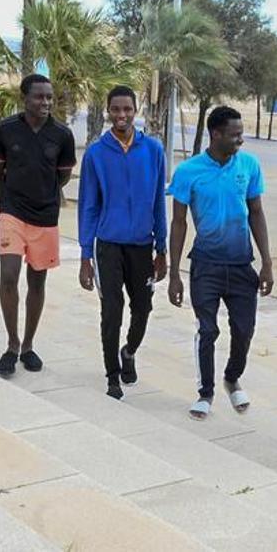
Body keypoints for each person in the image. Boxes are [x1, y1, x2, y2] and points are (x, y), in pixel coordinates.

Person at [167, 106, 274, 421]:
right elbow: (178, 223)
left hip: (242, 265)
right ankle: (206, 393)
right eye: (235, 134)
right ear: (216, 134)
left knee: (244, 329)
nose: (241, 140)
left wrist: (267, 262)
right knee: (208, 329)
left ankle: (232, 377)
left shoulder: (249, 166)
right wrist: (174, 274)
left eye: (241, 134)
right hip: (206, 265)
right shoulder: (188, 171)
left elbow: (256, 212)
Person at [78, 86, 168, 400]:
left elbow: (159, 202)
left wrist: (162, 249)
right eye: (115, 109)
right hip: (109, 246)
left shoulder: (153, 150)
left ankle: (128, 351)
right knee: (111, 310)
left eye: (127, 109)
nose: (121, 115)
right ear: (107, 111)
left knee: (142, 308)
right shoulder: (96, 153)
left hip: (142, 246)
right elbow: (88, 205)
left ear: (136, 108)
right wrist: (85, 254)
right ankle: (112, 376)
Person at [0, 74, 77, 376]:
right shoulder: (5, 129)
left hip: (46, 217)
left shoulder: (62, 135)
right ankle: (11, 345)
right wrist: (5, 207)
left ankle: (28, 346)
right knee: (9, 275)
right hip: (12, 212)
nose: (46, 102)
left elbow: (62, 176)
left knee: (37, 282)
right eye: (39, 97)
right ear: (24, 98)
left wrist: (45, 194)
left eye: (50, 97)